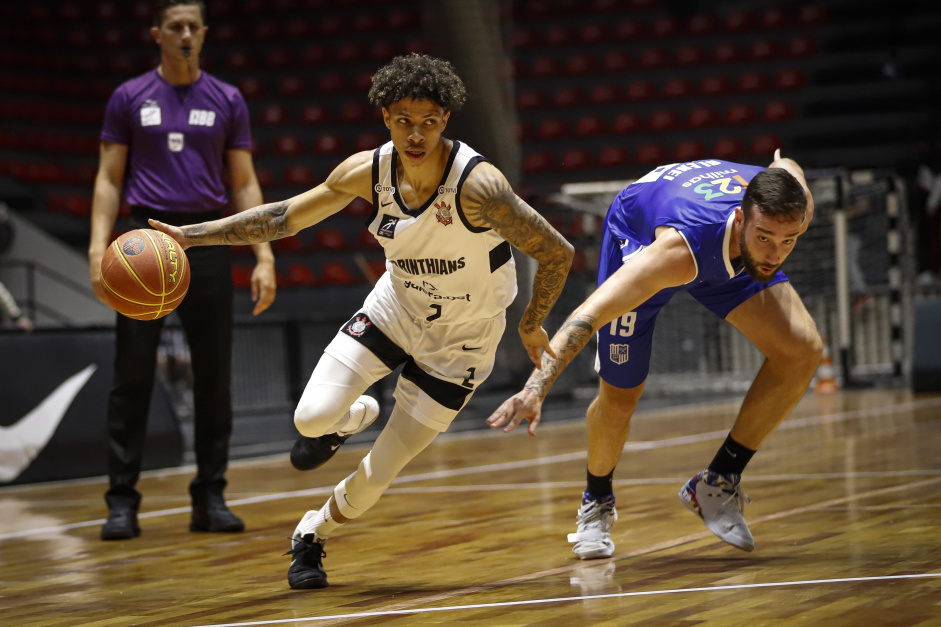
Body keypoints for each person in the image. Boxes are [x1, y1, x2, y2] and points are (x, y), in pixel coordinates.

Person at [149, 53, 574, 589]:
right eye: (403, 120)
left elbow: (557, 251)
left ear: (445, 119)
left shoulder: (479, 186)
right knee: (310, 420)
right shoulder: (366, 172)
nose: (415, 134)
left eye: (427, 122)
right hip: (395, 309)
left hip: (462, 342)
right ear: (385, 117)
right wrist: (193, 235)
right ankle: (355, 416)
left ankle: (312, 532)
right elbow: (282, 217)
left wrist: (532, 322)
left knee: (378, 478)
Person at [488, 151, 822, 558]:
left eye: (788, 241)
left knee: (802, 350)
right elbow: (587, 315)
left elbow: (787, 166)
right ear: (740, 218)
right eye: (765, 238)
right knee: (621, 397)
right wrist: (534, 388)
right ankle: (596, 503)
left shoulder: (793, 210)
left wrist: (777, 197)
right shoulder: (673, 255)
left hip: (719, 240)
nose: (775, 254)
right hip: (641, 232)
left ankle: (716, 482)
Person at [88, 0, 276, 541]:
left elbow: (243, 182)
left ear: (205, 33)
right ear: (157, 34)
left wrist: (263, 255)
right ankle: (121, 502)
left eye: (194, 26)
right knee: (133, 376)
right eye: (176, 26)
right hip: (143, 242)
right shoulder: (129, 97)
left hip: (209, 240)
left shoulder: (228, 99)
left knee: (214, 376)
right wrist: (98, 249)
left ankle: (210, 496)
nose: (186, 33)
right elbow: (108, 176)